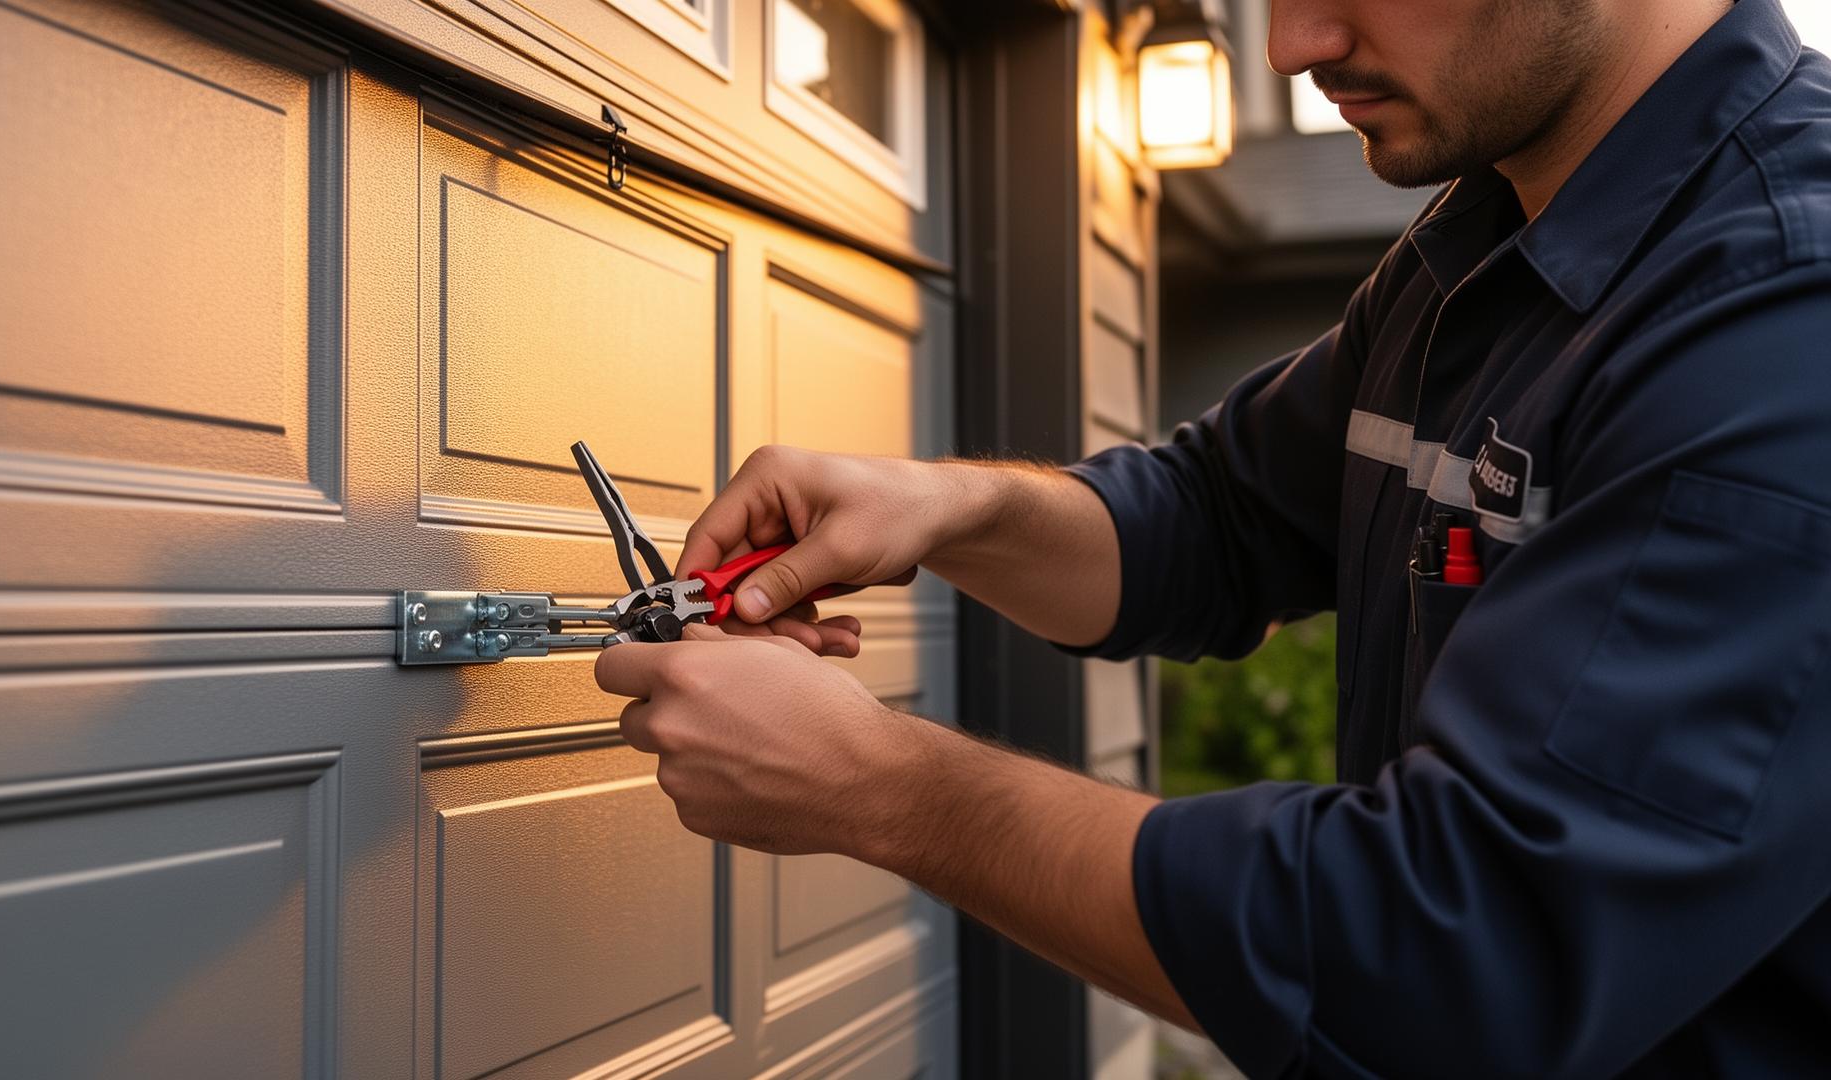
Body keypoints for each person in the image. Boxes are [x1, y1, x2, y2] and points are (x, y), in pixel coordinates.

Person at [593, 0, 1831, 1072]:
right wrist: (945, 506)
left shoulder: (1779, 312)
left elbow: (1455, 957)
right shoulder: (1464, 259)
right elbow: (1212, 517)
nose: (1293, 45)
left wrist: (883, 788)